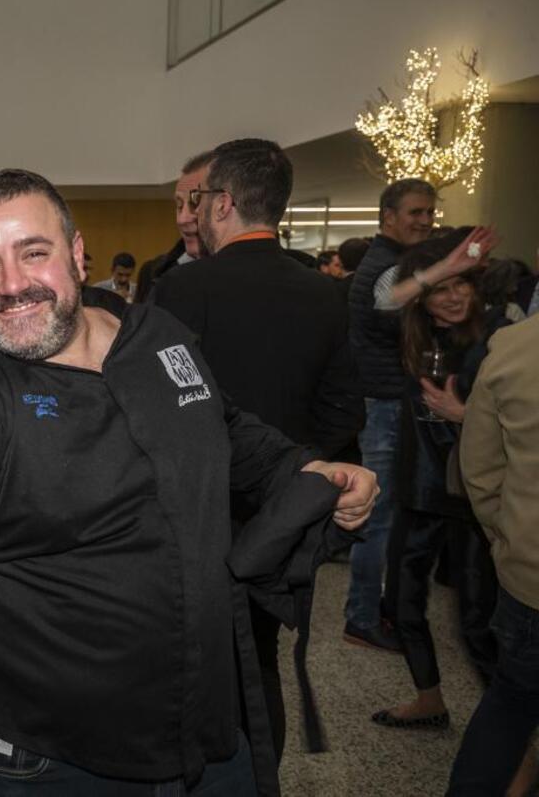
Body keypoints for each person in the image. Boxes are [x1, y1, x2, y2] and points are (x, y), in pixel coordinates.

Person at [0, 168, 378, 796]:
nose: (10, 286)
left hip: (208, 725)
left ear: (76, 251)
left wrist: (303, 468)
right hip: (53, 760)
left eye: (32, 253)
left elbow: (226, 426)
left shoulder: (158, 334)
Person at [154, 138, 365, 761]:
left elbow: (160, 409)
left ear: (221, 205)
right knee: (260, 662)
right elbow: (344, 409)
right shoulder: (325, 293)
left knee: (188, 659)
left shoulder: (182, 292)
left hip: (194, 515)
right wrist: (295, 476)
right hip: (283, 517)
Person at [372, 230, 505, 730]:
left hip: (474, 496)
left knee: (476, 621)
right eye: (440, 289)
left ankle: (512, 740)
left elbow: (522, 418)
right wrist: (441, 266)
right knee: (402, 604)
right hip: (421, 487)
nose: (452, 296)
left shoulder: (498, 335)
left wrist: (463, 413)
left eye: (461, 286)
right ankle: (429, 699)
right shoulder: (415, 337)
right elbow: (383, 299)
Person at [343, 177, 437, 653]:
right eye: (416, 212)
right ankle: (361, 617)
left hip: (383, 400)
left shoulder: (392, 262)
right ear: (388, 218)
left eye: (429, 212)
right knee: (377, 517)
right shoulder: (387, 267)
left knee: (380, 515)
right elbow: (387, 304)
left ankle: (369, 608)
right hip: (382, 403)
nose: (424, 220)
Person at [448, 312, 539, 795]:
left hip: (530, 575)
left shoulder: (512, 346)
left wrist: (507, 541)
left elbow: (480, 468)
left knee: (510, 704)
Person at [134, 150, 212, 302]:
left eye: (195, 203)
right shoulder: (153, 273)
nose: (182, 219)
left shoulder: (248, 273)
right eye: (179, 205)